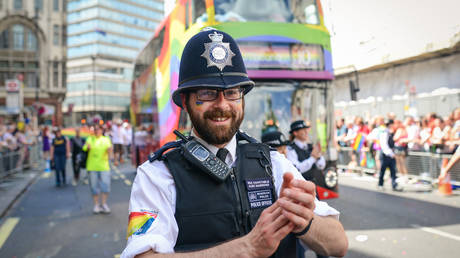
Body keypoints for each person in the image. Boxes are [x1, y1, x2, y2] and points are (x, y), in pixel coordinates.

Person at [121, 29, 347, 258]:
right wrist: (246, 248)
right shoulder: (157, 175)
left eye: (231, 93)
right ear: (186, 103)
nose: (223, 105)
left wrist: (304, 220)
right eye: (208, 93)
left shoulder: (274, 164)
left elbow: (338, 245)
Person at [83, 125, 113, 214]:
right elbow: (84, 147)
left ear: (101, 131)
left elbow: (109, 149)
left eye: (98, 129)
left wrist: (110, 152)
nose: (97, 131)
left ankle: (103, 204)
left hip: (104, 166)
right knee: (94, 187)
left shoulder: (106, 139)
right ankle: (96, 205)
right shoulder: (90, 139)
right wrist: (87, 147)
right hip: (92, 167)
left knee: (106, 186)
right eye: (95, 129)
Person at [377, 120, 402, 191]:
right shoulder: (385, 132)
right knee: (383, 170)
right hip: (386, 154)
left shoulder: (390, 132)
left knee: (393, 170)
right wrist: (391, 154)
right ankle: (380, 184)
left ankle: (394, 185)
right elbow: (384, 144)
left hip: (390, 154)